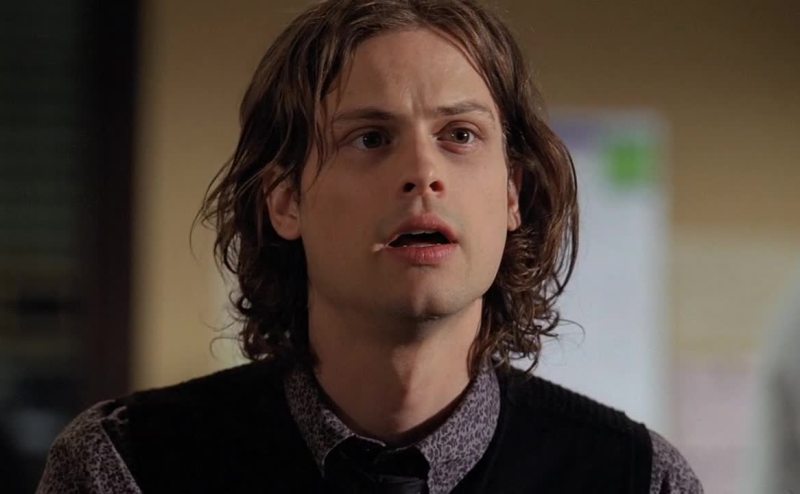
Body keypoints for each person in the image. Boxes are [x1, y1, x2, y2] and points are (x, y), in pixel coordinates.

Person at [38, 0, 703, 492]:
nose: (424, 172)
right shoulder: (128, 466)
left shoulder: (637, 478)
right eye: (371, 138)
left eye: (460, 135)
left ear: (512, 195)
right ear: (286, 201)